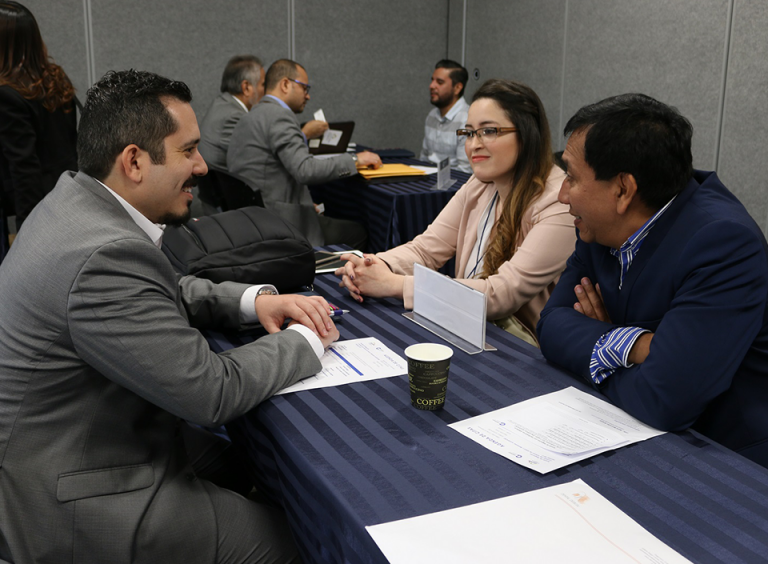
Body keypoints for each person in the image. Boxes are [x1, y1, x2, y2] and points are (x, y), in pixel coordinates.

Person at [0, 69, 340, 563]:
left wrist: (254, 300)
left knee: (259, 462)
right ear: (134, 161)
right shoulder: (104, 255)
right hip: (74, 493)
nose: (202, 167)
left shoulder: (76, 203)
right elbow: (210, 391)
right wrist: (306, 341)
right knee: (299, 542)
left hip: (81, 440)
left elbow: (157, 290)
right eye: (188, 151)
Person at [537, 93, 768, 467]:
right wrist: (635, 347)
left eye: (572, 178)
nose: (562, 195)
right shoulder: (599, 227)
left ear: (623, 190)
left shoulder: (723, 243)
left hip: (720, 459)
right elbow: (550, 325)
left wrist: (596, 352)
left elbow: (666, 400)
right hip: (624, 425)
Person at [336, 79, 576, 345]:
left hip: (521, 348)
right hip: (466, 324)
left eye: (489, 131)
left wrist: (393, 284)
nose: (474, 145)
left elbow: (501, 294)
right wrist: (374, 265)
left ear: (527, 134)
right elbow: (425, 249)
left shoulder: (558, 202)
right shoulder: (479, 184)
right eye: (469, 133)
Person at [227, 58, 381, 247]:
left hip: (251, 219)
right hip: (279, 223)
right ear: (285, 84)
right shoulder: (280, 116)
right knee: (358, 231)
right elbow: (305, 170)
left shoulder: (251, 115)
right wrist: (355, 160)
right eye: (305, 88)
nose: (308, 96)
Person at [0, 1, 77, 261]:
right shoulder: (55, 77)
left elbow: (24, 169)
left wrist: (26, 238)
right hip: (67, 193)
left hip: (35, 204)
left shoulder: (7, 94)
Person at [419, 59, 471, 173]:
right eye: (432, 80)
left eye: (440, 82)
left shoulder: (468, 120)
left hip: (453, 187)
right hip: (428, 182)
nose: (432, 86)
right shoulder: (432, 116)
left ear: (457, 88)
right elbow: (424, 159)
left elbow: (465, 171)